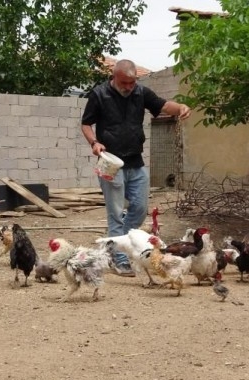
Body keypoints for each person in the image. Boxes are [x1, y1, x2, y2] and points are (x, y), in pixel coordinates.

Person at [81, 59, 192, 276]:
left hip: (136, 162)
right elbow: (86, 124)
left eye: (132, 83)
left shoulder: (141, 93)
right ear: (114, 78)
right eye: (125, 83)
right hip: (110, 162)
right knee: (115, 213)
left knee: (140, 209)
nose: (129, 87)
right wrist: (94, 143)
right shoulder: (99, 94)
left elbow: (162, 105)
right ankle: (118, 258)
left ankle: (112, 242)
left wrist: (180, 108)